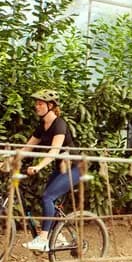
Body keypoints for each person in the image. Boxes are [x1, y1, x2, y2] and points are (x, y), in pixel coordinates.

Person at [19, 89, 80, 252]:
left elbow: (54, 151)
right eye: (36, 104)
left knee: (48, 197)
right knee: (46, 199)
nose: (36, 106)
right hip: (60, 169)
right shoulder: (42, 125)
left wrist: (38, 167)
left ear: (50, 106)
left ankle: (43, 239)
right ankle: (58, 237)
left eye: (40, 104)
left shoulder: (59, 124)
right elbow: (27, 148)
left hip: (74, 168)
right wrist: (9, 160)